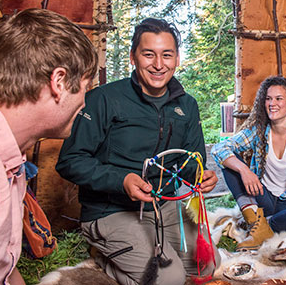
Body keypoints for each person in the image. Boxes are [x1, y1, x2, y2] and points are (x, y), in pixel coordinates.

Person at [56, 18, 220, 285]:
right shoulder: (105, 99)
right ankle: (104, 259)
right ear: (133, 57)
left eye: (166, 55)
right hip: (110, 211)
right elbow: (70, 161)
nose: (158, 64)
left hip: (163, 208)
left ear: (177, 58)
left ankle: (141, 253)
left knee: (206, 265)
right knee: (170, 279)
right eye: (148, 54)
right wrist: (121, 181)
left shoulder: (187, 105)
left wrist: (201, 176)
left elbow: (193, 161)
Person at [0, 9, 98, 285]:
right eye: (86, 88)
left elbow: (4, 269)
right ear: (60, 82)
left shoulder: (13, 160)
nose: (85, 104)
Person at [212, 76, 286, 251]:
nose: (272, 103)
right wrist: (244, 170)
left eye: (278, 98)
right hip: (263, 197)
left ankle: (260, 226)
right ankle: (257, 221)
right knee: (230, 162)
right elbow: (219, 148)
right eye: (268, 98)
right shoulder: (258, 131)